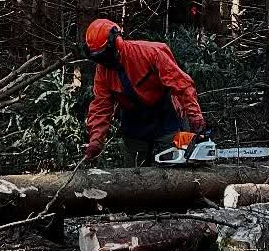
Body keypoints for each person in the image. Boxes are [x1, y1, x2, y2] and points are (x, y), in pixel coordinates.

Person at [81, 18, 207, 166]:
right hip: (133, 121)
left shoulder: (151, 53)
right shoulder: (103, 71)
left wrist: (195, 116)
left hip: (165, 115)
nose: (104, 61)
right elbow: (101, 106)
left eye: (104, 55)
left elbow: (182, 85)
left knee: (176, 169)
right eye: (98, 58)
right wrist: (96, 140)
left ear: (116, 43)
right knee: (134, 174)